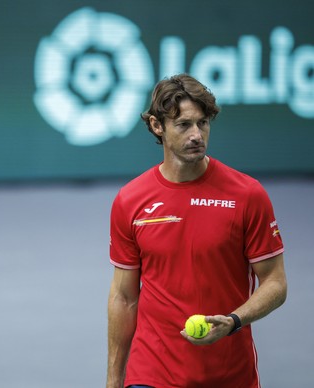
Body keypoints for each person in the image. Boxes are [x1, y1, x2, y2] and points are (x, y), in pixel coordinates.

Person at [106, 74, 287, 387]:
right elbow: (124, 298)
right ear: (156, 126)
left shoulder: (247, 195)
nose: (196, 135)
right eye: (184, 124)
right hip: (151, 373)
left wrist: (234, 321)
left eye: (203, 123)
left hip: (230, 374)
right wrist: (113, 380)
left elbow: (275, 282)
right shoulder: (130, 201)